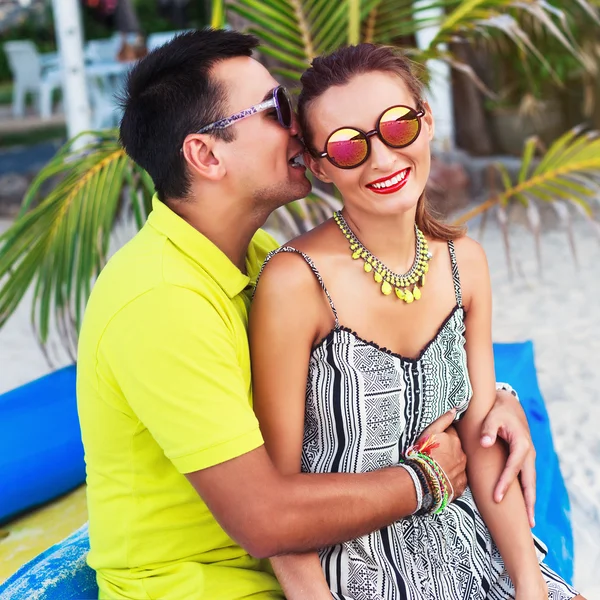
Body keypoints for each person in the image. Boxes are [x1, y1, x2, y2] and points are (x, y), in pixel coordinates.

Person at [77, 29, 537, 600]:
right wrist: (430, 476)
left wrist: (492, 401)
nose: (297, 127)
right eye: (274, 109)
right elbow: (264, 521)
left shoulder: (257, 256)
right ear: (205, 154)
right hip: (209, 586)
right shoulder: (159, 300)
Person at [249, 43, 582, 600]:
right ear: (321, 166)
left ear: (426, 124)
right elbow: (277, 498)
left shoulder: (464, 263)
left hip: (468, 547)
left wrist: (531, 587)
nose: (380, 159)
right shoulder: (296, 282)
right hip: (355, 575)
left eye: (397, 128)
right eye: (349, 145)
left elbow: (482, 441)